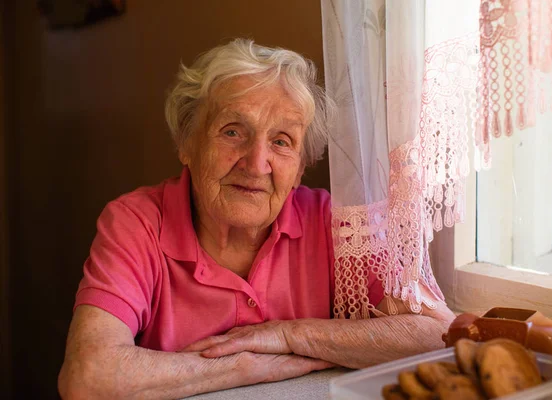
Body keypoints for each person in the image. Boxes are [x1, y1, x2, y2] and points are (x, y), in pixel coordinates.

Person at [58, 39, 455, 399]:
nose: (256, 163)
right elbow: (89, 377)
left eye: (282, 142)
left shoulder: (335, 224)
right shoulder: (137, 223)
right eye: (232, 132)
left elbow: (437, 331)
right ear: (187, 142)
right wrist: (243, 365)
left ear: (300, 168)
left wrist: (287, 334)